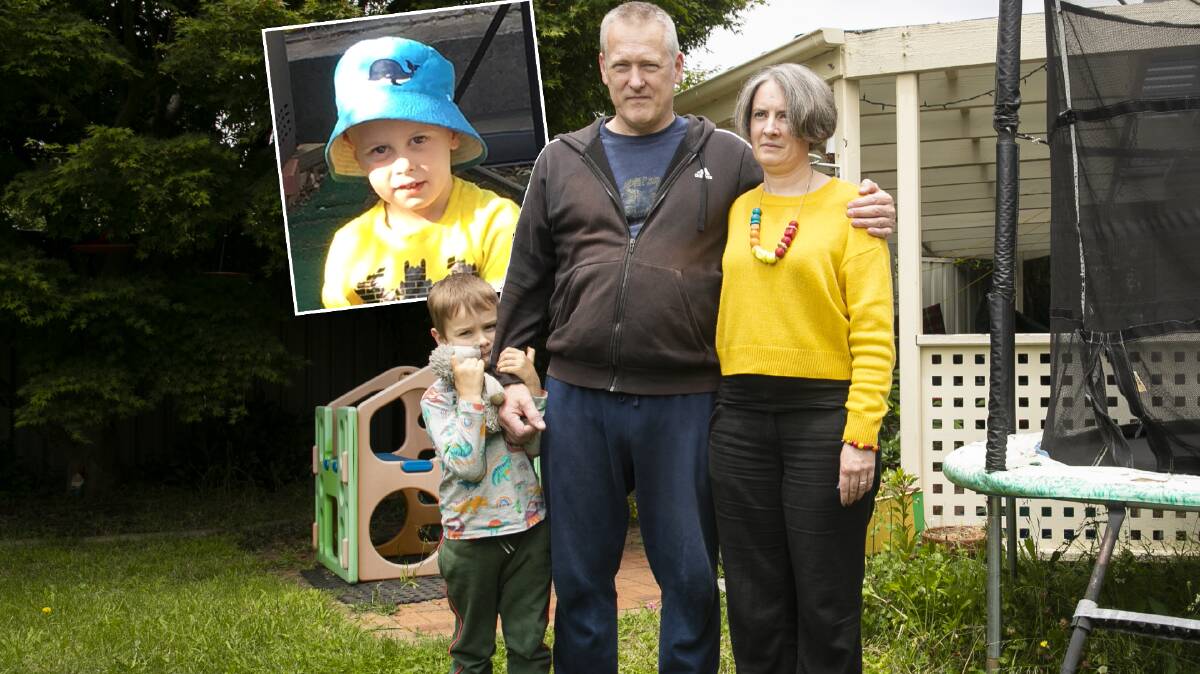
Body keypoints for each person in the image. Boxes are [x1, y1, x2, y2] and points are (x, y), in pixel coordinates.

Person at [491, 3, 897, 671]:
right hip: (577, 398)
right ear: (602, 69)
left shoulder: (727, 156)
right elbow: (525, 281)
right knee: (583, 579)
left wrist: (870, 204)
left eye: (651, 64)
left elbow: (802, 194)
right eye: (621, 65)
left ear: (678, 67)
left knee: (688, 581)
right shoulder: (559, 161)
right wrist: (506, 380)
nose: (636, 78)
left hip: (686, 401)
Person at [709, 63, 895, 674]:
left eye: (783, 115)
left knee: (825, 599)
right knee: (754, 600)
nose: (769, 127)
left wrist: (860, 437)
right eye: (759, 114)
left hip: (822, 420)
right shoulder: (737, 211)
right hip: (738, 422)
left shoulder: (854, 210)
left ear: (810, 124)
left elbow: (873, 333)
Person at [320, 37, 518, 308]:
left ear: (452, 135)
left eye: (419, 140)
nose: (404, 165)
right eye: (380, 149)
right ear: (356, 155)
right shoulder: (348, 247)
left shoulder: (495, 222)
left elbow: (504, 317)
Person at [420, 273, 550, 674]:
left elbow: (537, 446)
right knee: (472, 649)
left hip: (528, 530)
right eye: (465, 332)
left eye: (491, 326)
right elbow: (468, 466)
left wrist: (533, 385)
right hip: (470, 538)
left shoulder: (510, 383)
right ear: (440, 340)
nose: (482, 340)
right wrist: (473, 397)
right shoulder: (437, 398)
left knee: (529, 644)